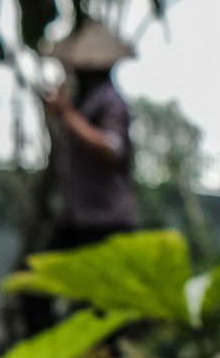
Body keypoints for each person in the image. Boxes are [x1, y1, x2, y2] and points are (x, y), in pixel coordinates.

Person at [18, 21, 140, 334]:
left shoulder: (110, 101)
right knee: (34, 289)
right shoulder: (86, 102)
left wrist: (68, 114)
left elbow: (111, 148)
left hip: (106, 223)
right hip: (78, 219)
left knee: (104, 309)